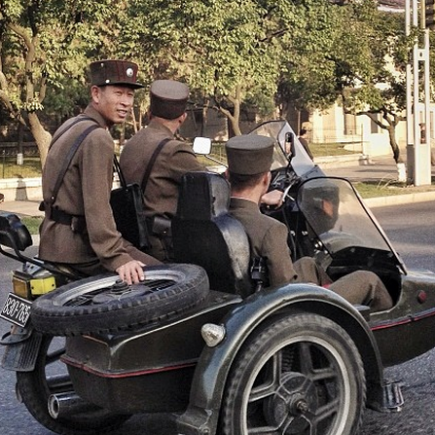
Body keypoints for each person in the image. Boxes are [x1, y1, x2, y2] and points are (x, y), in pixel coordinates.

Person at [225, 134, 393, 311]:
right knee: (369, 280)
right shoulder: (270, 229)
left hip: (244, 299)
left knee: (308, 264)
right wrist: (310, 291)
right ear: (267, 179)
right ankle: (340, 319)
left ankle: (334, 306)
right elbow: (284, 291)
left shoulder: (216, 219)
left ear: (228, 175)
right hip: (283, 309)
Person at [39, 59, 161, 285]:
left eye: (130, 95)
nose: (126, 102)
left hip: (53, 241)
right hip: (78, 249)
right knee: (165, 278)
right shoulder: (98, 138)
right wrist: (117, 257)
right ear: (96, 94)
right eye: (118, 93)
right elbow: (97, 207)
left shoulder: (71, 125)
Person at [120, 79, 205, 262]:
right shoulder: (174, 150)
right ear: (182, 117)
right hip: (162, 246)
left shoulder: (131, 144)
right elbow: (210, 188)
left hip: (134, 237)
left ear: (149, 113)